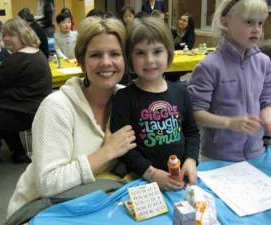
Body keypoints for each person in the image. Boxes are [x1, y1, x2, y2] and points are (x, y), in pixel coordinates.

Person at [6, 16, 136, 220]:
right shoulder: (57, 107)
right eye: (95, 55)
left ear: (125, 60)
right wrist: (107, 152)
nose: (106, 62)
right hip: (41, 210)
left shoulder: (127, 101)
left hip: (92, 200)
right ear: (81, 61)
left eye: (115, 53)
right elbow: (48, 184)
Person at [111, 17, 200, 190]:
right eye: (140, 53)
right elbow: (124, 148)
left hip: (181, 178)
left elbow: (192, 132)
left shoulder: (181, 91)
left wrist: (191, 160)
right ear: (129, 57)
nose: (150, 60)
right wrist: (151, 173)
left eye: (157, 51)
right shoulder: (124, 98)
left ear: (168, 53)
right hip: (143, 181)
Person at [0, 17, 52, 193]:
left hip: (22, 111)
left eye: (10, 35)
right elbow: (9, 77)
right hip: (35, 110)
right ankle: (18, 153)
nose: (6, 39)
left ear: (22, 34)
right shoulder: (37, 54)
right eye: (4, 35)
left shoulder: (18, 58)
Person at [188, 0, 271, 161]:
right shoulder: (209, 66)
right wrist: (229, 122)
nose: (257, 30)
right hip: (217, 157)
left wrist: (267, 116)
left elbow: (266, 99)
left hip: (256, 152)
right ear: (225, 23)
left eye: (260, 23)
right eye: (249, 22)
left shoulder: (264, 62)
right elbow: (195, 112)